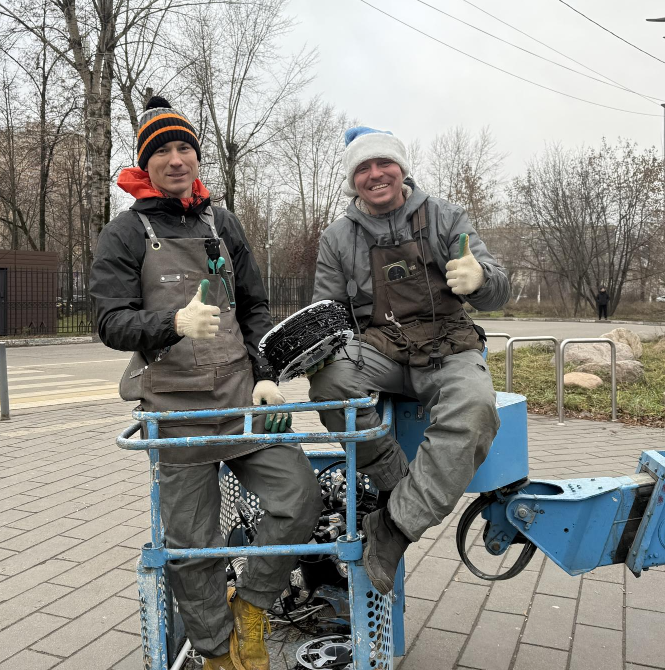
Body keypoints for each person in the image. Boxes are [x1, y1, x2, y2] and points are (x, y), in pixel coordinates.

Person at [90, 96, 322, 670]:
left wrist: (267, 373)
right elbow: (109, 322)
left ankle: (252, 607)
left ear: (197, 156)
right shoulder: (125, 233)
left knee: (300, 499)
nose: (175, 159)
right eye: (162, 150)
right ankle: (219, 653)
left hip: (242, 402)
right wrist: (171, 324)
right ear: (146, 164)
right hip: (175, 414)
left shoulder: (223, 221)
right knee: (192, 546)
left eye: (184, 148)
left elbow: (255, 305)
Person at [307, 126, 510, 595]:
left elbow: (498, 291)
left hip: (448, 346)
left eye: (384, 164)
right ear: (352, 180)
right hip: (381, 348)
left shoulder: (445, 217)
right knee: (329, 381)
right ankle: (397, 482)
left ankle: (394, 527)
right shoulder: (338, 238)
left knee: (476, 408)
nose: (375, 174)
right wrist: (302, 356)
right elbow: (328, 314)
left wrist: (479, 279)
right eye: (363, 168)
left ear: (402, 169)